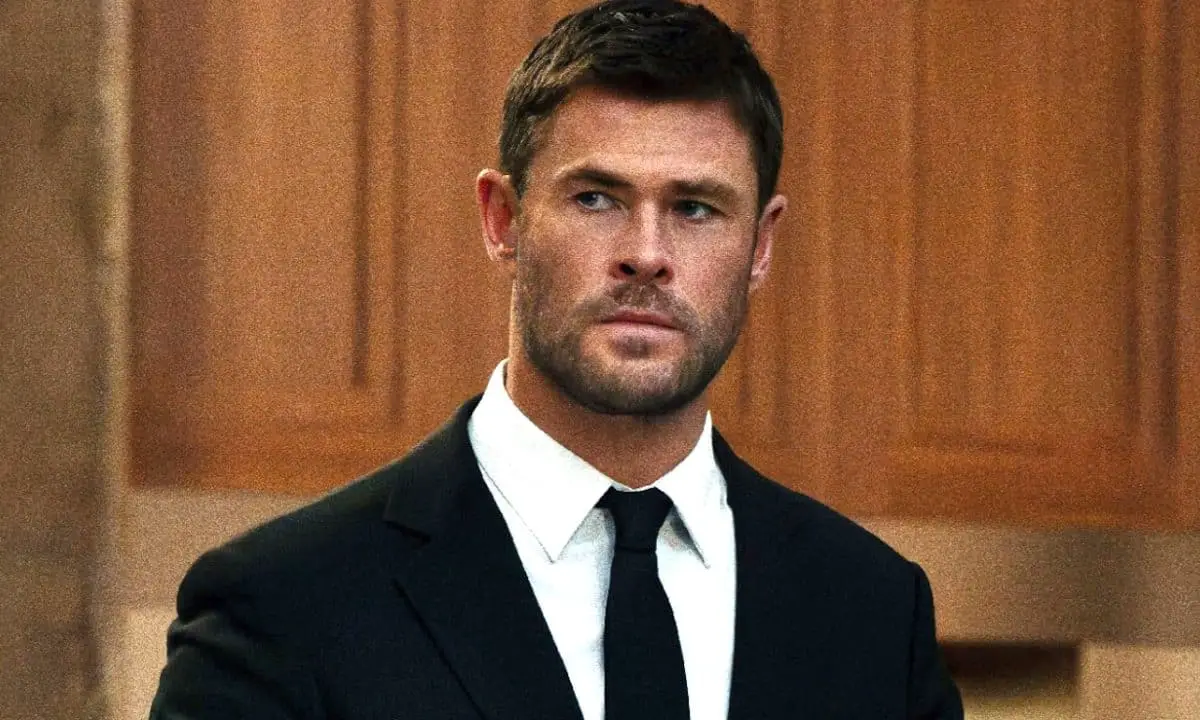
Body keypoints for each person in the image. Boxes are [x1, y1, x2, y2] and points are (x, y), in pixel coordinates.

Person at [149, 1, 964, 718]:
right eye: (596, 198)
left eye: (695, 208)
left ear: (761, 245)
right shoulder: (285, 608)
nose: (646, 254)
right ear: (503, 220)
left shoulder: (873, 614)